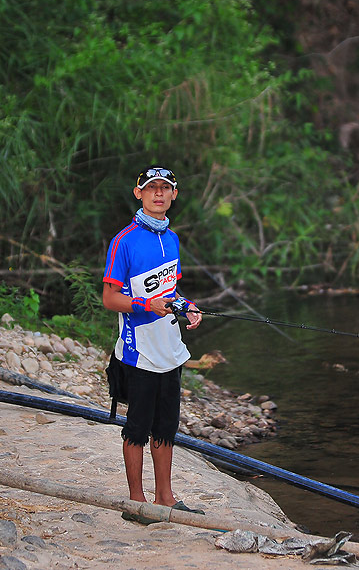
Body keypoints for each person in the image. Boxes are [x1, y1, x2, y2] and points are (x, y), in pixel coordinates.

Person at [102, 166, 205, 521]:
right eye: (151, 188)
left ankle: (166, 498)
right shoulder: (124, 241)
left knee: (166, 426)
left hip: (170, 350)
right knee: (137, 428)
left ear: (174, 195)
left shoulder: (172, 238)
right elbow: (110, 298)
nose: (158, 193)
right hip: (138, 351)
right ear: (138, 194)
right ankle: (137, 502)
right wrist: (147, 305)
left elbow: (170, 291)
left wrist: (187, 307)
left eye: (165, 188)